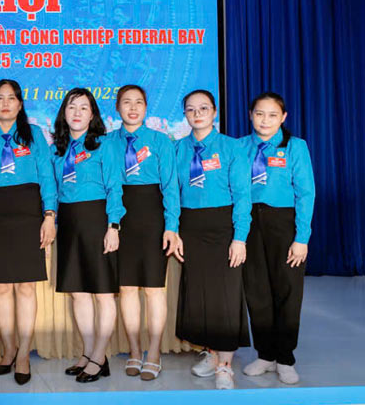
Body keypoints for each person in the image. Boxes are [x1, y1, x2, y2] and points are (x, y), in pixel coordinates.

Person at [0, 79, 57, 385]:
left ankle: (23, 354)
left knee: (26, 288)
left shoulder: (34, 134)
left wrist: (49, 216)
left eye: (11, 98)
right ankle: (8, 349)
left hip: (29, 213)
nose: (5, 103)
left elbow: (47, 177)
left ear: (20, 104)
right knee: (1, 288)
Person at [174, 89, 251, 390]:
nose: (197, 114)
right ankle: (210, 352)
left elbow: (242, 195)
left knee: (225, 295)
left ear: (215, 112)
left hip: (223, 226)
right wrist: (174, 229)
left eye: (203, 108)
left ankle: (226, 364)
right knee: (199, 293)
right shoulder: (178, 149)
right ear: (185, 114)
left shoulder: (232, 147)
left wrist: (239, 238)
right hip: (190, 226)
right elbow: (172, 192)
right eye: (191, 109)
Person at [104, 85, 181, 380]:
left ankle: (155, 352)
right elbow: (109, 184)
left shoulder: (160, 141)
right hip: (120, 215)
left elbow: (170, 187)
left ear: (146, 108)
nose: (133, 108)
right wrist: (112, 224)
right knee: (126, 288)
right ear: (117, 107)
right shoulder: (107, 142)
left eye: (139, 102)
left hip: (152, 218)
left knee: (153, 289)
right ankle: (135, 351)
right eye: (127, 102)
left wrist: (171, 226)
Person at [240, 92, 315, 385]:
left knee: (287, 291)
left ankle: (285, 357)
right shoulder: (240, 147)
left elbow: (306, 193)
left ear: (283, 117)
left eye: (272, 115)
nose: (265, 120)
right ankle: (265, 354)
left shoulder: (295, 146)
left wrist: (302, 237)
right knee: (256, 291)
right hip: (249, 223)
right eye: (259, 113)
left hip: (284, 224)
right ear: (250, 114)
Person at [50, 88, 124, 384]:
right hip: (69, 221)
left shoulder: (104, 146)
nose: (77, 112)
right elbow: (54, 190)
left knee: (103, 293)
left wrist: (113, 226)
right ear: (64, 113)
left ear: (92, 114)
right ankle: (91, 353)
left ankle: (99, 355)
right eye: (72, 107)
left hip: (97, 219)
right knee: (78, 292)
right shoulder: (57, 150)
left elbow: (115, 187)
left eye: (84, 107)